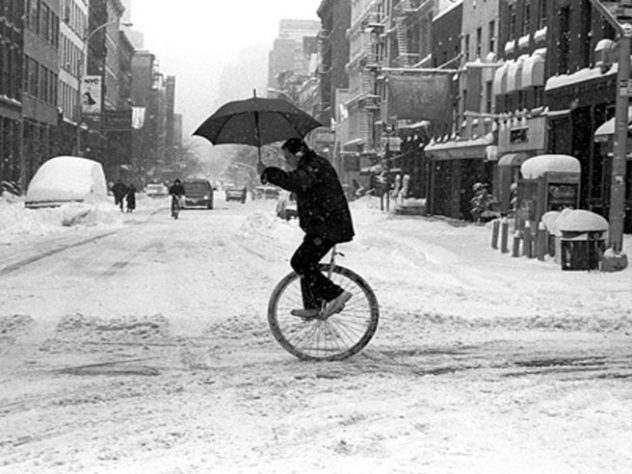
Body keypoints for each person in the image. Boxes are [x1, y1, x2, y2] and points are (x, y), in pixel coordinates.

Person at [258, 138, 354, 318]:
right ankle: (313, 306)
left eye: (288, 157)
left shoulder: (314, 165)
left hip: (329, 225)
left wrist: (268, 172)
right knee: (306, 264)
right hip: (323, 225)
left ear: (298, 154)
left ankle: (336, 294)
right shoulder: (311, 165)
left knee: (301, 262)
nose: (287, 162)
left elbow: (296, 182)